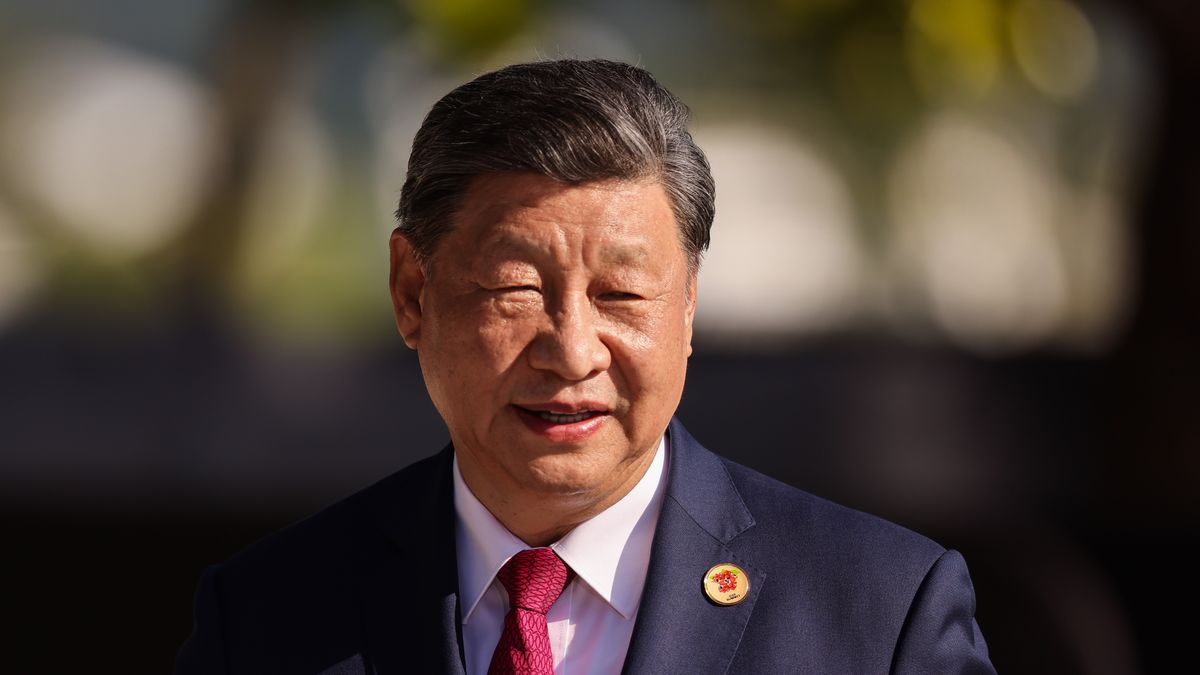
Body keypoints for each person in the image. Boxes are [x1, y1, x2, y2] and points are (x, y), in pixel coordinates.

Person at [177, 59, 995, 674]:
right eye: (515, 288)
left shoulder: (880, 614)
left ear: (688, 306)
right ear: (412, 291)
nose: (571, 350)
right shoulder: (266, 614)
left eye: (622, 295)